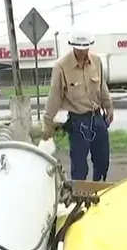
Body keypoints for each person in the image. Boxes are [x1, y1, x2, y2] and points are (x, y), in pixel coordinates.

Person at [42, 26, 114, 182]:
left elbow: (102, 86)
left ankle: (98, 190)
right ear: (72, 45)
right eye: (79, 48)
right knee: (80, 165)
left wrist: (109, 106)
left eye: (85, 48)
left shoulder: (96, 61)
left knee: (102, 159)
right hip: (78, 121)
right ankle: (80, 195)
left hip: (97, 117)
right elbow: (54, 96)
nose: (82, 52)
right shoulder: (61, 67)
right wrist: (48, 122)